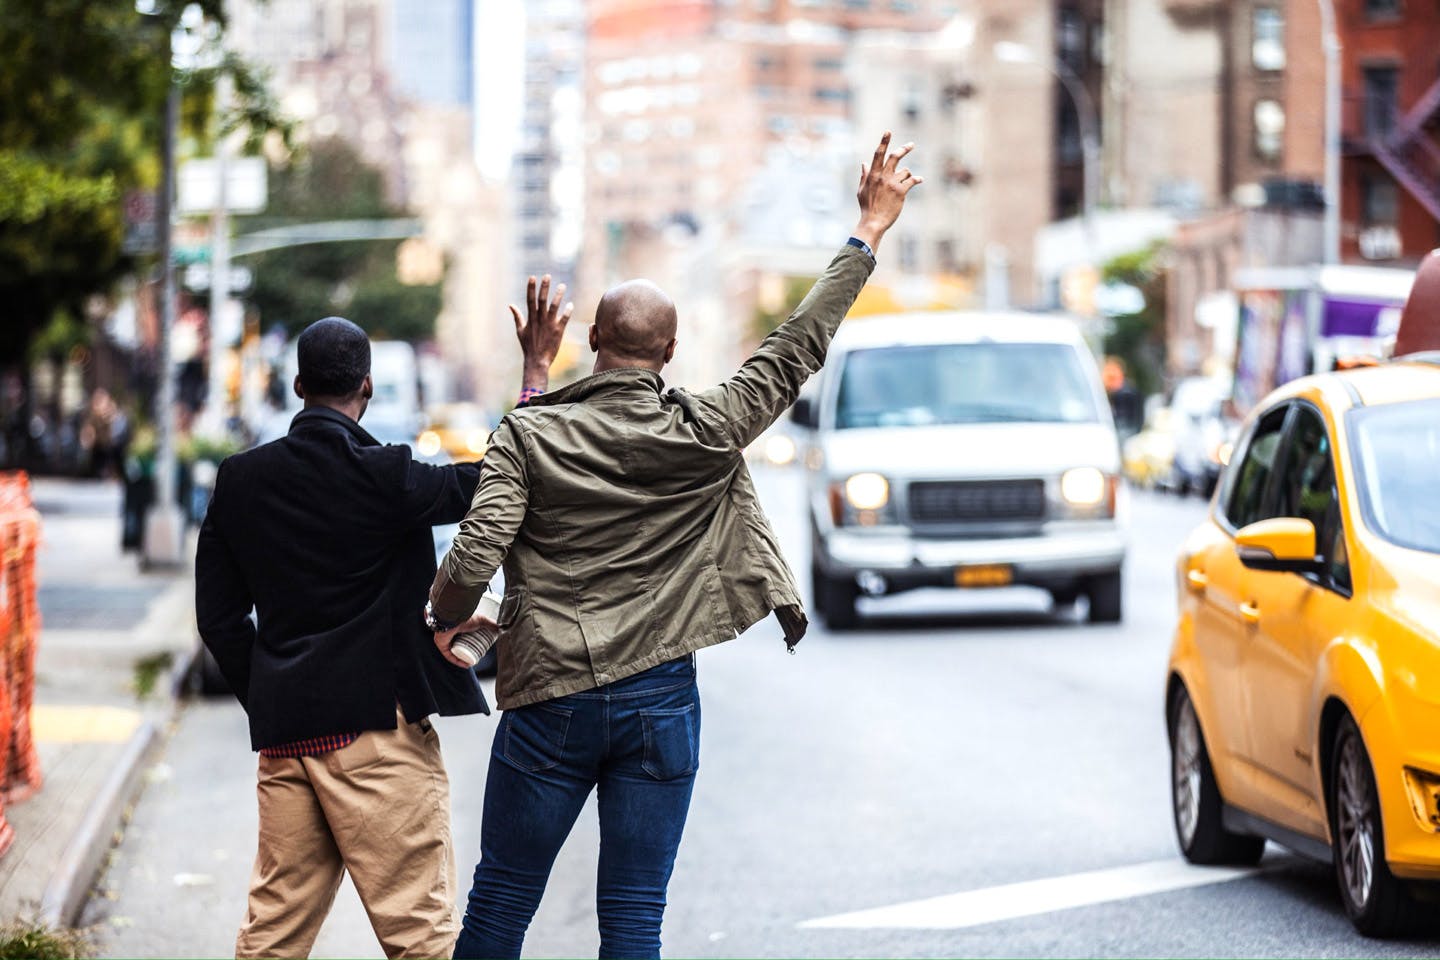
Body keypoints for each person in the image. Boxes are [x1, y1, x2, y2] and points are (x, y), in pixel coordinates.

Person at [426, 132, 921, 959]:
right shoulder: (708, 429)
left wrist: (444, 617)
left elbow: (476, 557)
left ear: (592, 341)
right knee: (632, 917)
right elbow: (798, 343)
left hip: (548, 700)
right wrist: (869, 226)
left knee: (501, 903)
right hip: (660, 701)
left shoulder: (527, 433)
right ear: (671, 353)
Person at [195, 306, 569, 959]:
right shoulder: (388, 477)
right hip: (374, 737)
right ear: (365, 387)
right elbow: (500, 482)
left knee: (273, 938)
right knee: (421, 936)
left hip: (288, 741)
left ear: (297, 387)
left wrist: (271, 693)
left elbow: (219, 618)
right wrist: (534, 374)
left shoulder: (240, 480)